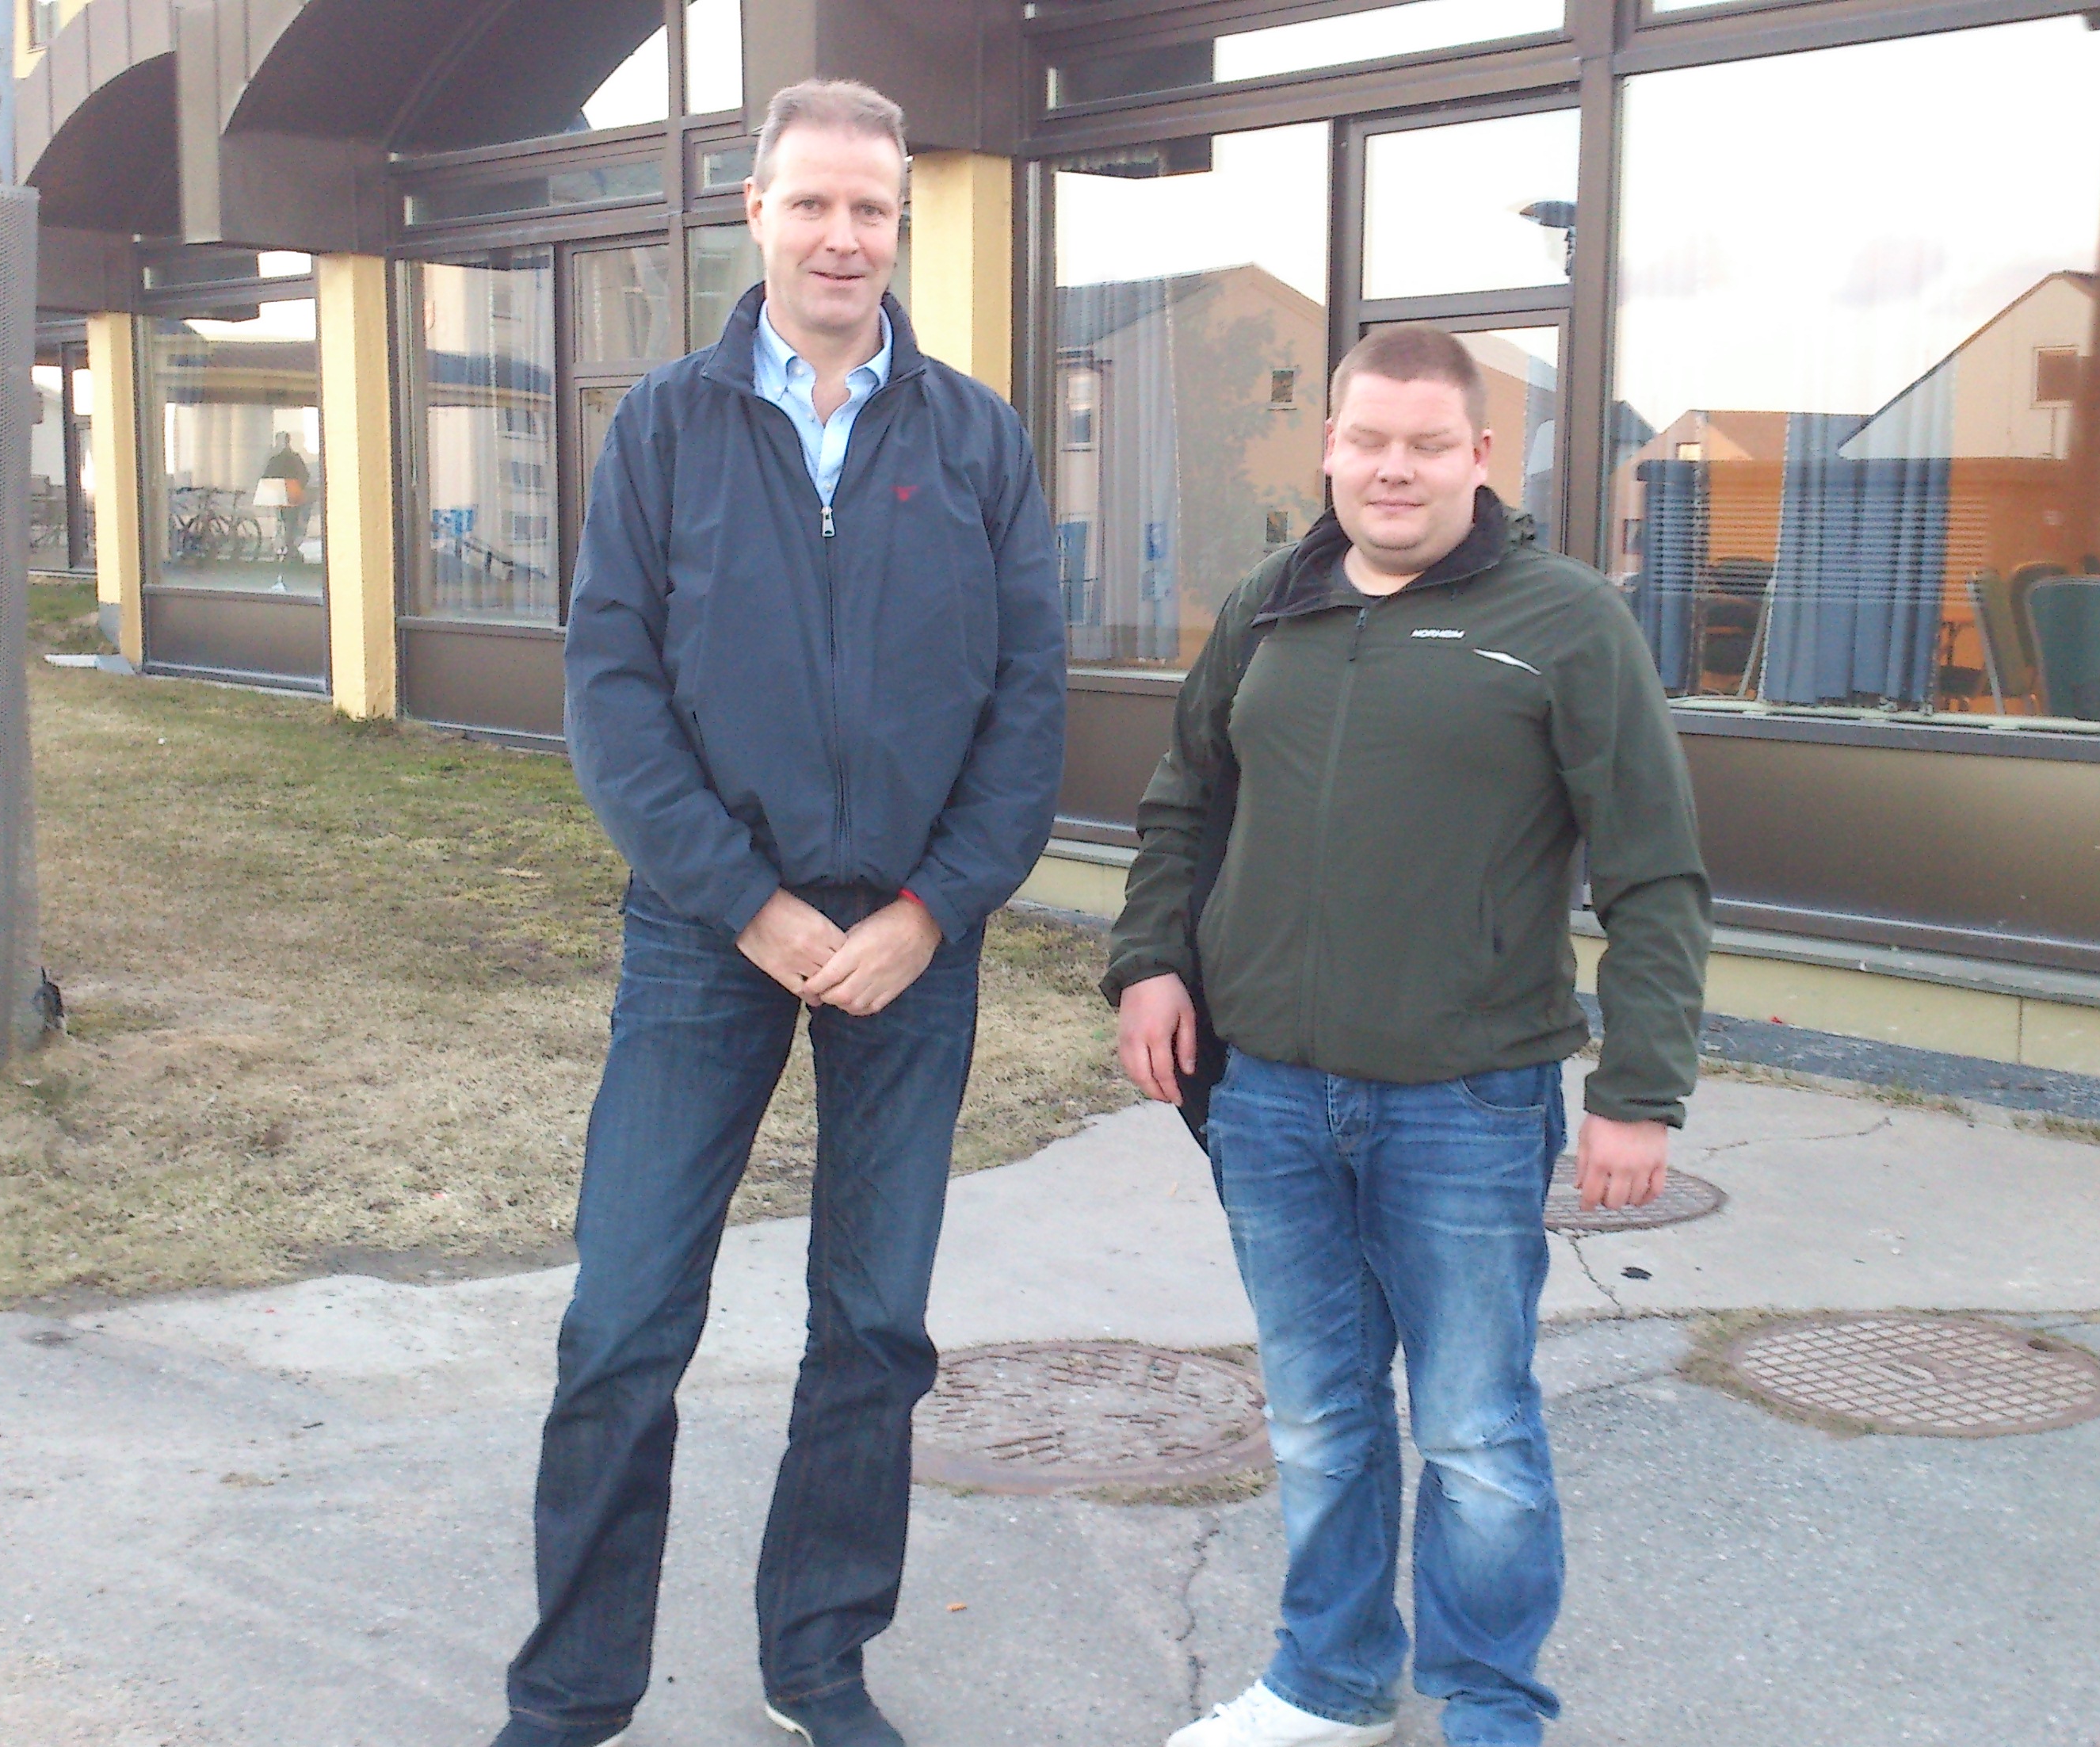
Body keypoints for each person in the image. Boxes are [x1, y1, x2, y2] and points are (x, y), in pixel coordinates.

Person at [494, 78, 1066, 1747]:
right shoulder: (663, 430)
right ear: (755, 213)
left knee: (872, 1323)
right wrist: (744, 902)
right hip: (706, 932)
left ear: (900, 224)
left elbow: (1028, 706)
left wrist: (930, 910)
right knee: (622, 1319)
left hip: (911, 942)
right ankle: (572, 1692)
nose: (841, 235)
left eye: (870, 207)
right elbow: (610, 693)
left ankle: (818, 1660)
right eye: (811, 202)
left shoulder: (976, 439)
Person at [1105, 326, 1710, 1747]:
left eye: (1428, 444)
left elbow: (1653, 871)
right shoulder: (1270, 605)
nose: (1395, 468)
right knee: (1318, 1415)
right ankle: (1329, 1680)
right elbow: (1186, 798)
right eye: (1369, 439)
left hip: (1465, 1101)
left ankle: (1490, 1703)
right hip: (1268, 1094)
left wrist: (1639, 1089)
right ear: (1329, 444)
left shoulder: (1566, 621)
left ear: (1480, 457)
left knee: (1475, 1429)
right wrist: (1151, 965)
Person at [258, 432, 309, 560]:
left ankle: (284, 546)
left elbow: (266, 476)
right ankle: (289, 546)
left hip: (281, 495)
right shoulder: (294, 458)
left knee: (283, 521)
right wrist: (298, 487)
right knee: (291, 522)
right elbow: (305, 475)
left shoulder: (276, 459)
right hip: (292, 494)